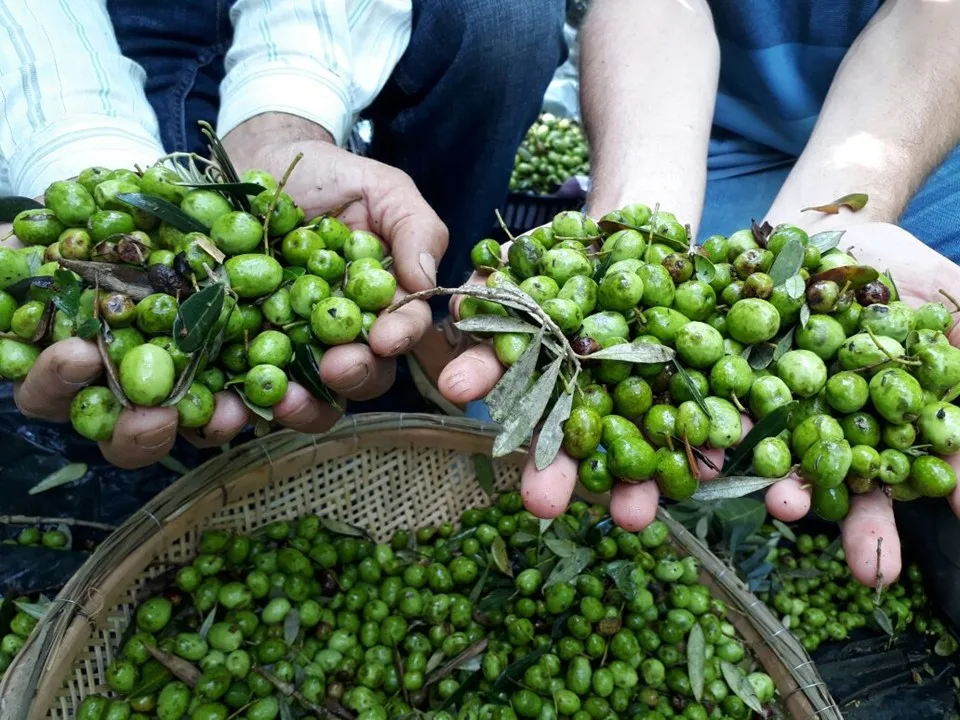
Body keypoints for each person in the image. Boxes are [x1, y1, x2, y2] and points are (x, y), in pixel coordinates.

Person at [439, 0, 960, 591]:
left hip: (921, 129)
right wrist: (634, 214)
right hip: (704, 131)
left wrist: (841, 214)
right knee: (504, 411)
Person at [0, 0, 566, 465]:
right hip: (88, 37)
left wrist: (281, 117)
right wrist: (75, 151)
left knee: (511, 17)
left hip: (321, 28)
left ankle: (437, 323)